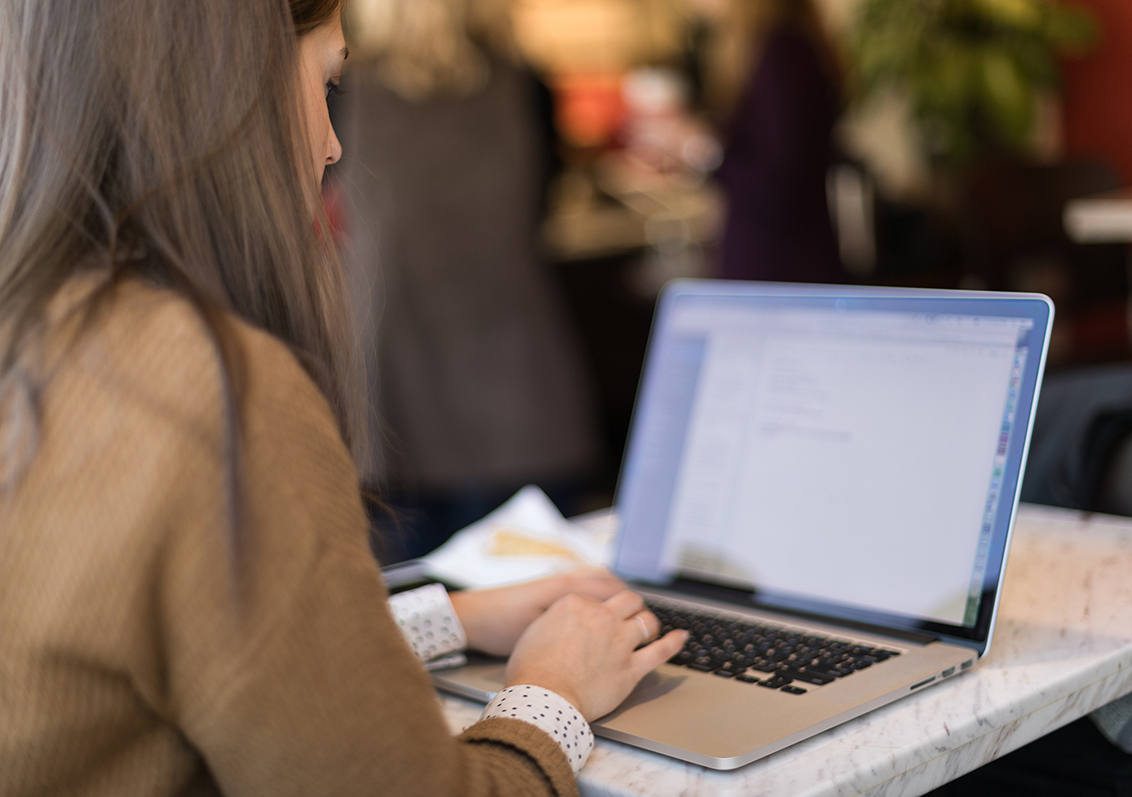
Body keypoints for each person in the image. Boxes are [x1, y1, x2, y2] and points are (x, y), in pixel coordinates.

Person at [0, 1, 685, 795]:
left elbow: (162, 654)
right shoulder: (214, 393)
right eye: (327, 82)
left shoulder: (44, 336)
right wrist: (554, 688)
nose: (332, 146)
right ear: (226, 89)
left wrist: (445, 620)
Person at [335, 0, 600, 561]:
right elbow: (543, 210)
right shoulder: (527, 83)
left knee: (409, 621)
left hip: (395, 392)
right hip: (516, 390)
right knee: (536, 605)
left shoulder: (340, 89)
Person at [692, 0, 847, 284]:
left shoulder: (782, 53)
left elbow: (779, 185)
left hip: (780, 273)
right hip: (778, 267)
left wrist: (700, 149)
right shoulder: (776, 47)